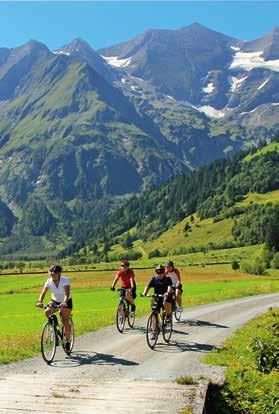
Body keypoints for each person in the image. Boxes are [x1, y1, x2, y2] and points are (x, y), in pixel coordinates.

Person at [36, 264, 72, 352]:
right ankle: (55, 330)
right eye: (50, 274)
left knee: (64, 320)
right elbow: (43, 293)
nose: (52, 276)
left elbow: (67, 294)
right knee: (47, 312)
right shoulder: (49, 281)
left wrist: (64, 302)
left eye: (54, 274)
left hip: (66, 301)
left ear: (59, 274)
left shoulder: (65, 280)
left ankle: (67, 341)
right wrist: (40, 301)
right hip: (55, 300)